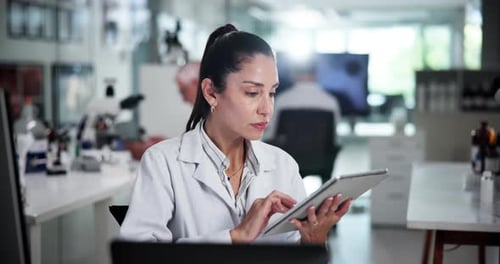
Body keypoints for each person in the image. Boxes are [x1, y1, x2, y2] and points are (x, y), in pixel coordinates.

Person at [120, 24, 351, 244]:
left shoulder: (283, 165)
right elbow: (140, 256)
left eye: (271, 93)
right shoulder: (163, 163)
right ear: (211, 92)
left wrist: (313, 241)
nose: (267, 109)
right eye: (252, 93)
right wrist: (235, 236)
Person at [263, 56, 341, 141]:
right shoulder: (331, 102)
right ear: (316, 74)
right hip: (320, 154)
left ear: (293, 74)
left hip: (286, 153)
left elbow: (271, 135)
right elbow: (334, 139)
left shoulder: (282, 100)